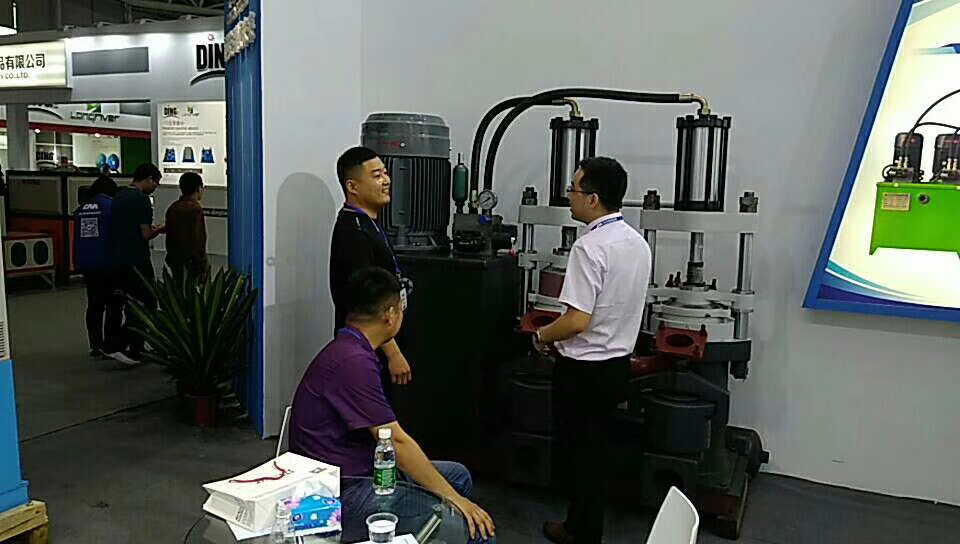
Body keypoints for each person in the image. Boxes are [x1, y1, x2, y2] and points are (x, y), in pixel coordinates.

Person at [289, 267, 495, 542]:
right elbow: (395, 441)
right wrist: (457, 501)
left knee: (458, 476)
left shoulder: (350, 348)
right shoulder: (352, 362)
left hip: (358, 466)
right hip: (339, 492)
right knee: (474, 530)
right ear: (390, 314)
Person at [533, 157, 651, 544]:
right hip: (616, 367)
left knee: (578, 457)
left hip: (582, 373)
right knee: (595, 454)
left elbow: (576, 321)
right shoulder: (637, 243)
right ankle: (581, 527)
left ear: (593, 198)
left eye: (573, 189)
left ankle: (581, 534)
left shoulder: (589, 247)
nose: (569, 195)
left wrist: (542, 335)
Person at [329, 146, 412, 386]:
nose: (386, 181)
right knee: (373, 409)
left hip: (381, 341)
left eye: (385, 173)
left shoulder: (367, 223)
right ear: (352, 187)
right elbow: (364, 303)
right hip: (369, 351)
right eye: (377, 175)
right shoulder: (353, 233)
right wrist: (393, 354)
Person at [103, 163, 165, 366]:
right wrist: (160, 228)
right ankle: (124, 345)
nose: (155, 187)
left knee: (123, 301)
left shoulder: (119, 196)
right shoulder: (141, 199)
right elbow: (145, 234)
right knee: (146, 302)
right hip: (137, 259)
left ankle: (126, 345)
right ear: (148, 178)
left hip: (116, 258)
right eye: (155, 182)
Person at [74, 175, 121, 357]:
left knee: (94, 305)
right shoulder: (112, 207)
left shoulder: (82, 210)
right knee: (113, 304)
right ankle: (110, 343)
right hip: (108, 262)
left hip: (87, 263)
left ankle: (95, 344)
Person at [164, 172, 209, 281]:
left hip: (176, 260)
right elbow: (197, 239)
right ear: (199, 188)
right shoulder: (195, 209)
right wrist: (202, 263)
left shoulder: (173, 207)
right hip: (193, 263)